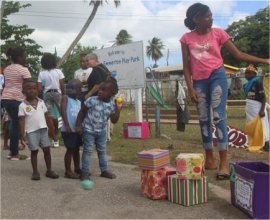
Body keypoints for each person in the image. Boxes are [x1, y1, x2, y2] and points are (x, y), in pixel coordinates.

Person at [180, 3, 270, 180]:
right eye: (207, 16)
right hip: (199, 81)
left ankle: (223, 162)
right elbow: (186, 66)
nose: (211, 18)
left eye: (211, 15)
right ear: (196, 19)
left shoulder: (219, 33)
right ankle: (209, 158)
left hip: (217, 77)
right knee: (203, 119)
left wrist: (264, 60)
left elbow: (238, 55)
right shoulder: (186, 38)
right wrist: (190, 88)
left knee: (218, 117)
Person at [75, 78, 122, 181]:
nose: (100, 91)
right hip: (89, 130)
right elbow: (82, 112)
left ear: (112, 93)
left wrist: (118, 109)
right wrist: (78, 125)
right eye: (100, 89)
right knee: (87, 151)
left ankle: (104, 170)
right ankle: (85, 172)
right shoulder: (92, 100)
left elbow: (114, 120)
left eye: (103, 90)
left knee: (102, 151)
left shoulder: (112, 105)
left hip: (101, 131)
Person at [19, 80, 59, 180]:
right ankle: (35, 171)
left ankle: (49, 170)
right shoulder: (22, 105)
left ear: (37, 90)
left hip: (43, 130)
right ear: (23, 92)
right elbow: (21, 121)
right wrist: (22, 135)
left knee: (47, 150)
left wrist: (52, 131)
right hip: (31, 132)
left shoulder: (41, 102)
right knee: (34, 151)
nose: (31, 90)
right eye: (28, 89)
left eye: (34, 88)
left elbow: (47, 117)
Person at [1, 47, 32, 160]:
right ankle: (14, 153)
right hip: (17, 99)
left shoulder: (7, 69)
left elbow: (6, 84)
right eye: (24, 56)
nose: (26, 58)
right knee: (16, 125)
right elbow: (30, 86)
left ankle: (13, 150)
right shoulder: (24, 70)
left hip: (5, 98)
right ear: (19, 58)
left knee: (14, 123)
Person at [37, 53, 65, 147]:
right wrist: (64, 94)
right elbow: (62, 85)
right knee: (59, 114)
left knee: (48, 117)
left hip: (47, 94)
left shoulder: (41, 73)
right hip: (57, 93)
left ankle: (53, 138)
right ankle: (57, 136)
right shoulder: (58, 72)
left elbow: (40, 89)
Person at [244, 64, 269, 151]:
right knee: (253, 125)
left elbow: (263, 97)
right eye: (245, 73)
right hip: (250, 108)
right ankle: (256, 142)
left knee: (262, 125)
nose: (246, 75)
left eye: (248, 73)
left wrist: (262, 110)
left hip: (258, 107)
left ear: (254, 74)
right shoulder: (246, 85)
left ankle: (266, 143)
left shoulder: (258, 82)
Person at [61, 80, 83, 179]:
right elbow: (63, 110)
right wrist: (67, 125)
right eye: (69, 88)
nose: (70, 90)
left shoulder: (78, 102)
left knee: (76, 149)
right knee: (70, 149)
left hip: (76, 130)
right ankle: (68, 171)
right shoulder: (66, 98)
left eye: (74, 88)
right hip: (68, 129)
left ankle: (77, 168)